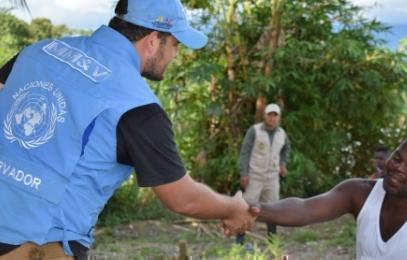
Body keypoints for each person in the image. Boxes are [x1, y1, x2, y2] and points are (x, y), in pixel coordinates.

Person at [0, 0, 254, 259]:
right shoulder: (137, 106)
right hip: (37, 244)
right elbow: (182, 198)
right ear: (154, 40)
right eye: (176, 44)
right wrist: (232, 207)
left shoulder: (37, 52)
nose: (175, 55)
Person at [250, 132, 407, 259]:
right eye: (397, 159)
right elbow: (304, 209)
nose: (398, 168)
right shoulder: (359, 191)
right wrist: (253, 210)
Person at [236, 103, 290, 244]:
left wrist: (282, 164)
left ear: (279, 118)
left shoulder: (282, 134)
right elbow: (245, 152)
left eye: (275, 115)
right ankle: (239, 240)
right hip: (255, 176)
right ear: (265, 116)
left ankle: (272, 241)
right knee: (247, 207)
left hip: (272, 177)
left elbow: (286, 150)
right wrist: (244, 173)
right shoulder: (254, 131)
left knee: (273, 208)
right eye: (269, 115)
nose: (272, 118)